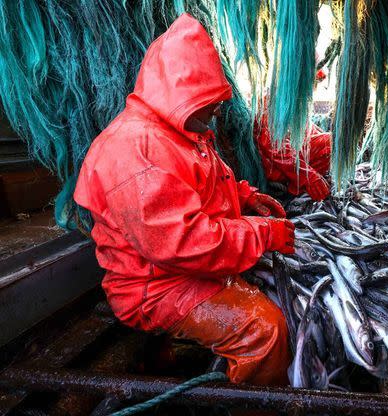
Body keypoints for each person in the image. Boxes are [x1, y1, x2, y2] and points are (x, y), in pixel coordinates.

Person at [74, 14, 294, 386]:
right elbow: (182, 242)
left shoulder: (177, 132)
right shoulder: (133, 148)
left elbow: (198, 183)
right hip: (155, 286)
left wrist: (246, 195)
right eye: (209, 99)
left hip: (179, 271)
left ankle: (168, 359)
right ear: (179, 92)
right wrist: (263, 235)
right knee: (265, 330)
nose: (216, 109)